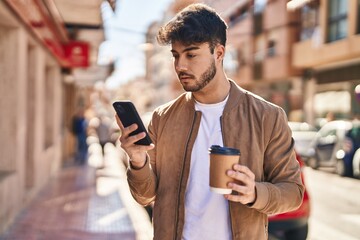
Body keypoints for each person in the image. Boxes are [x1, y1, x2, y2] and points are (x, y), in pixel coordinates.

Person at [115, 3, 304, 240]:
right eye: (176, 56)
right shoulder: (162, 118)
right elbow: (145, 196)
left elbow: (293, 192)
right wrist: (138, 160)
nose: (180, 66)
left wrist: (255, 193)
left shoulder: (267, 116)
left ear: (219, 53)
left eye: (191, 54)